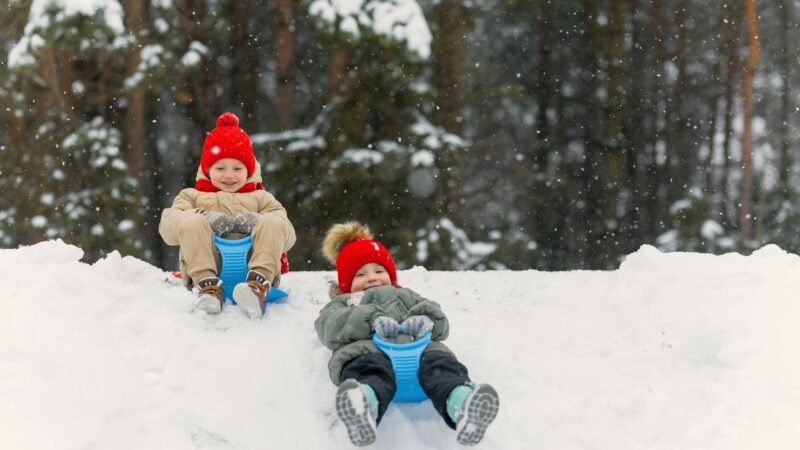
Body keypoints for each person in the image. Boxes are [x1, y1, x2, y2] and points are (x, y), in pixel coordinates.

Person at [315, 222, 499, 446]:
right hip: (370, 353)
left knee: (443, 368)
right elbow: (328, 327)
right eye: (361, 274)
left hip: (419, 353)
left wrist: (426, 320)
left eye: (379, 271)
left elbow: (438, 318)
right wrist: (370, 319)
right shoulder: (345, 302)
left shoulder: (406, 296)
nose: (372, 278)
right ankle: (363, 407)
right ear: (347, 283)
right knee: (367, 371)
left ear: (391, 275)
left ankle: (464, 406)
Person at [159, 112, 296, 318]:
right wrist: (203, 217)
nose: (229, 175)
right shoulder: (192, 196)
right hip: (209, 263)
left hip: (252, 263)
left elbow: (288, 235)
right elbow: (167, 228)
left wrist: (257, 221)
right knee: (191, 221)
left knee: (273, 221)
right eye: (220, 168)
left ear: (248, 171)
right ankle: (208, 289)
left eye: (237, 168)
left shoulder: (261, 197)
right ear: (207, 170)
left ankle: (256, 287)